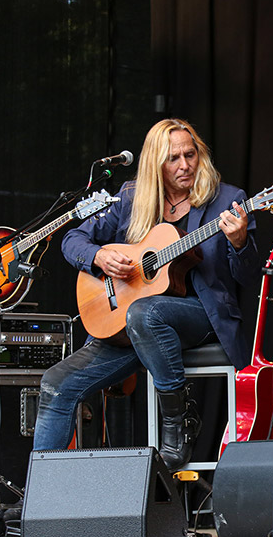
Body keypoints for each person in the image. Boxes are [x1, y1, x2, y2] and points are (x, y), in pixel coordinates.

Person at [34, 118, 259, 470]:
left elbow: (246, 277)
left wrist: (240, 243)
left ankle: (178, 419)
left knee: (145, 312)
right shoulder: (130, 197)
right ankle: (40, 495)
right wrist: (99, 257)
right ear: (156, 164)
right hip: (129, 323)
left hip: (199, 314)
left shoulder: (228, 201)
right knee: (55, 384)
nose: (185, 165)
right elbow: (72, 240)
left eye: (191, 154)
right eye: (173, 159)